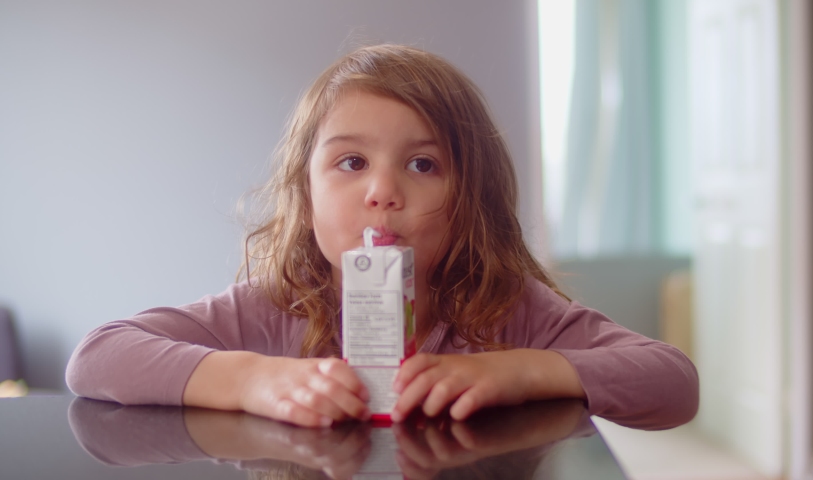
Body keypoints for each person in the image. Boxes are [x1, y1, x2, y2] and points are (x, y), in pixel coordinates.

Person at [66, 44, 698, 430]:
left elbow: (673, 383)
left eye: (423, 164)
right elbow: (97, 356)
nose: (383, 192)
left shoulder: (507, 310)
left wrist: (525, 371)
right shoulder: (273, 307)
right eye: (351, 162)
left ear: (469, 201)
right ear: (304, 194)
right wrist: (252, 381)